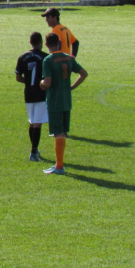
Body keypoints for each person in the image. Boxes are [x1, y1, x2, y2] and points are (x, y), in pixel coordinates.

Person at [39, 33, 88, 175]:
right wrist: (71, 87)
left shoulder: (48, 60)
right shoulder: (69, 58)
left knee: (58, 133)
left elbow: (47, 82)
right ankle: (59, 164)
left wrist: (41, 83)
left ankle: (59, 166)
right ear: (59, 43)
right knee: (63, 133)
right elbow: (84, 73)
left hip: (55, 101)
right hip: (67, 100)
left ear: (47, 45)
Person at [15, 32, 48, 162]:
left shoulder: (23, 57)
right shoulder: (45, 57)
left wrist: (28, 82)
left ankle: (34, 149)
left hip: (28, 93)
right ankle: (33, 152)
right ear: (40, 42)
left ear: (30, 42)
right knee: (38, 124)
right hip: (40, 93)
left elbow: (18, 77)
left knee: (32, 121)